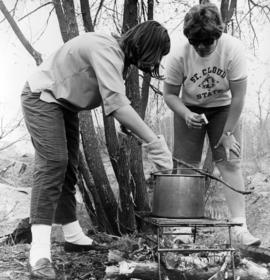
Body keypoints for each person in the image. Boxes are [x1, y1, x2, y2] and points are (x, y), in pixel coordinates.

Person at [21, 20, 173, 279]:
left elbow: (113, 99)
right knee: (54, 163)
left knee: (69, 167)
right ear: (146, 45)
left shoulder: (119, 58)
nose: (155, 61)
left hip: (63, 103)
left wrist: (131, 128)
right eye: (157, 54)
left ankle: (73, 237)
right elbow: (118, 106)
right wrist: (154, 142)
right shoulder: (106, 49)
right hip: (41, 96)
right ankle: (39, 253)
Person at [163, 3, 260, 247]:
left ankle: (239, 227)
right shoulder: (178, 56)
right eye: (197, 44)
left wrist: (228, 132)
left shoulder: (233, 49)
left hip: (224, 108)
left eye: (208, 43)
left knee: (229, 161)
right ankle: (183, 231)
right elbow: (170, 95)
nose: (202, 48)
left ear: (218, 35)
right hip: (190, 108)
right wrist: (185, 113)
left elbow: (238, 97)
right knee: (186, 167)